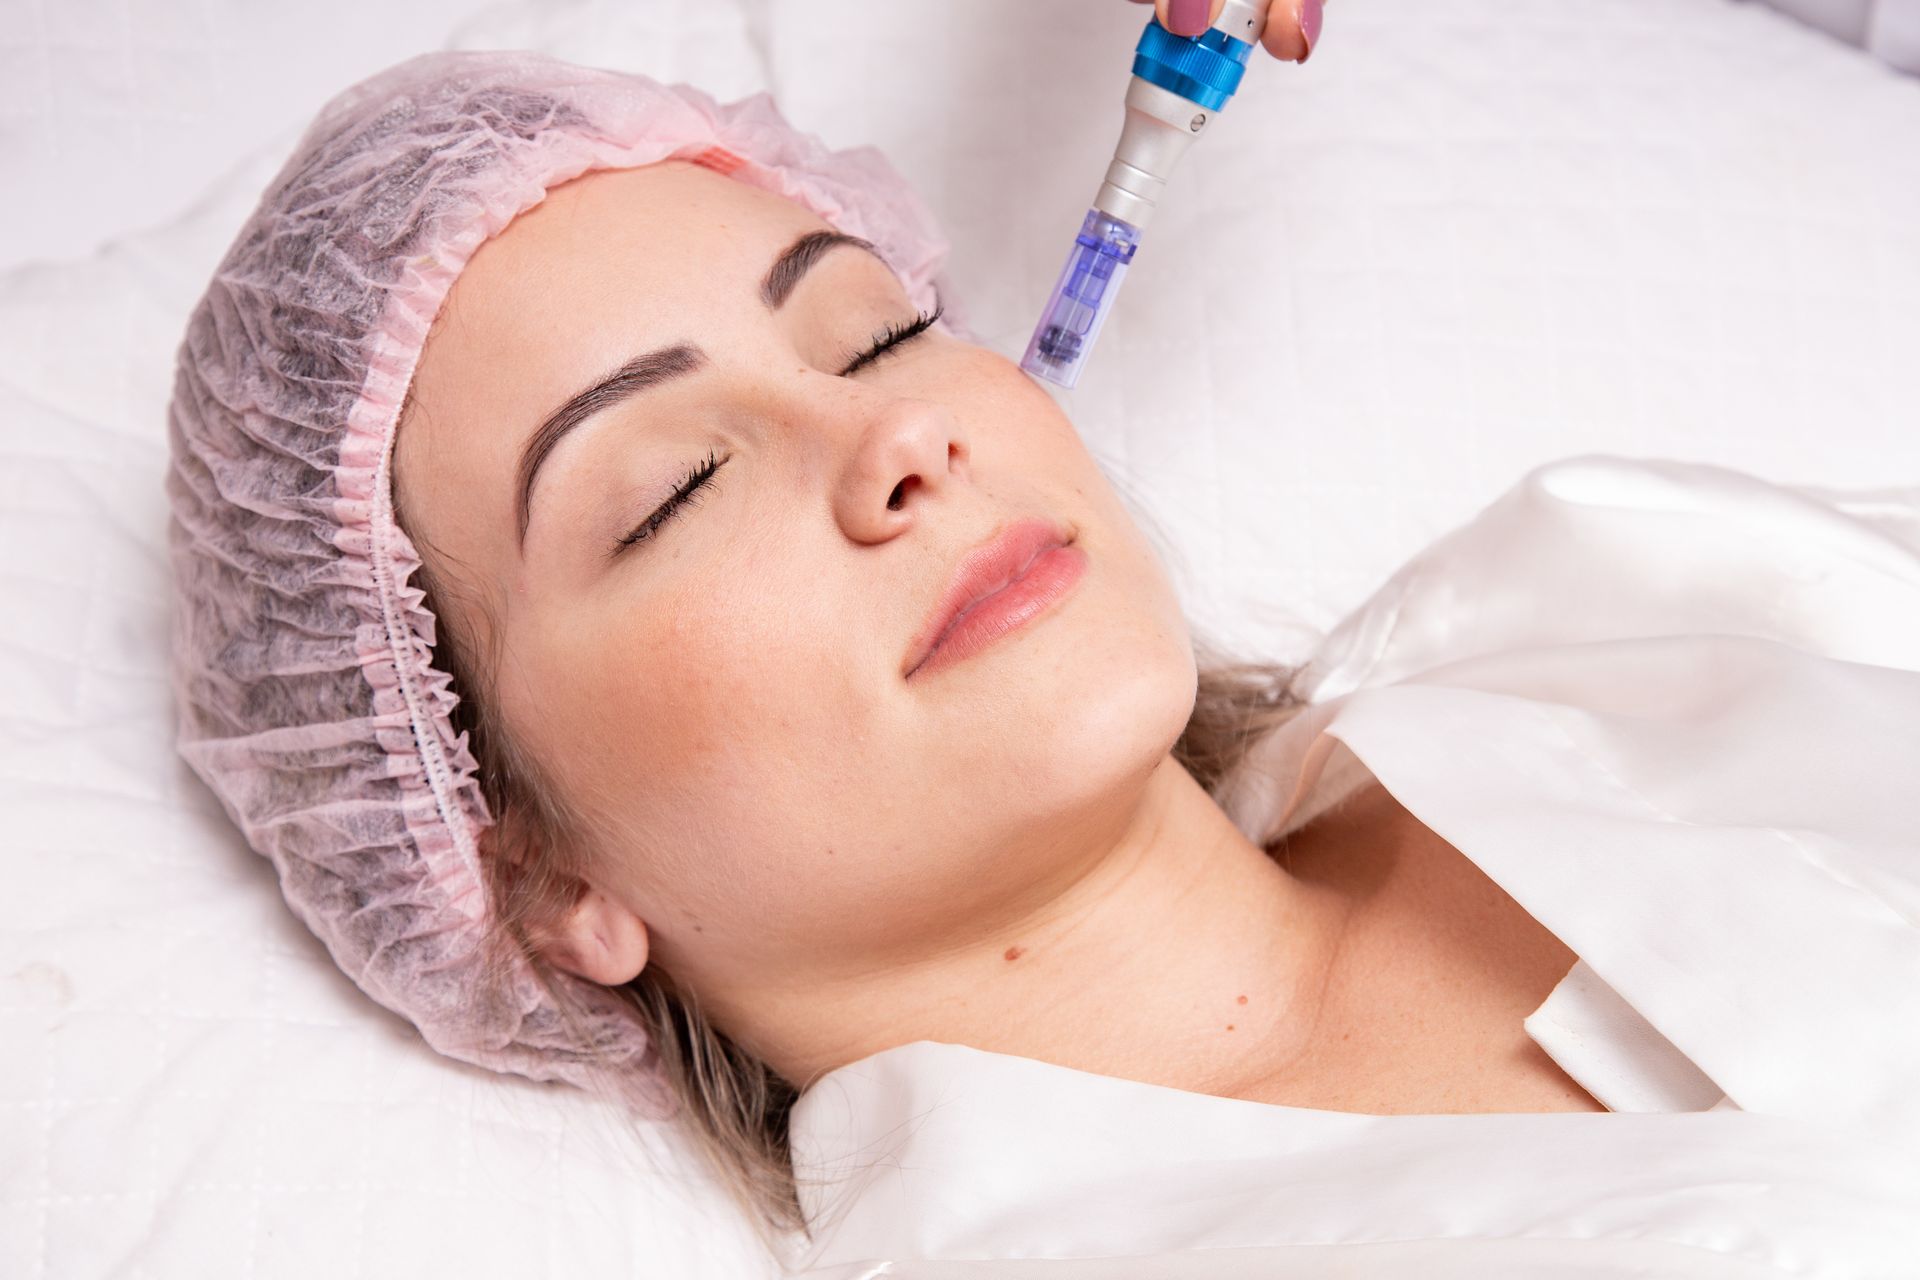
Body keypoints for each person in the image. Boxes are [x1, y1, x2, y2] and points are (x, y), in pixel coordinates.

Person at [166, 41, 1920, 1276]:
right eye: (679, 486)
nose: (902, 439)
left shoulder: (1602, 591)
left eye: (881, 329)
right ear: (532, 871)